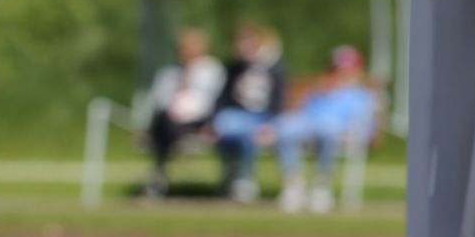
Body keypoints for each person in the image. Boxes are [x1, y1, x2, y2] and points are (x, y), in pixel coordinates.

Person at [276, 45, 381, 213]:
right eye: (338, 68)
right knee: (286, 129)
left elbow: (366, 122)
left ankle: (321, 185)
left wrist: (361, 132)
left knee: (327, 131)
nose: (342, 72)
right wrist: (322, 90)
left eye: (347, 68)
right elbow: (306, 111)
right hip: (311, 124)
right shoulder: (322, 89)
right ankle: (293, 184)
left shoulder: (362, 94)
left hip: (340, 130)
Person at [141, 28, 227, 198]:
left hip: (200, 122)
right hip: (169, 121)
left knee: (163, 127)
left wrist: (211, 123)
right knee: (163, 120)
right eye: (182, 48)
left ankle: (158, 179)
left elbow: (218, 100)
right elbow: (159, 102)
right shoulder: (168, 73)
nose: (185, 52)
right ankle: (160, 176)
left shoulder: (212, 70)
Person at [211, 23, 286, 203]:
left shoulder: (273, 67)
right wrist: (212, 121)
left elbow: (278, 99)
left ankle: (245, 178)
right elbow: (223, 97)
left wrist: (270, 123)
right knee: (224, 127)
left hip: (261, 117)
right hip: (235, 116)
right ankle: (230, 176)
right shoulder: (235, 67)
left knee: (247, 133)